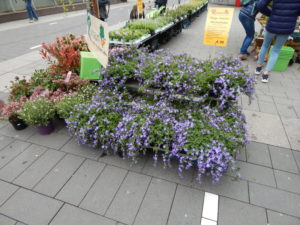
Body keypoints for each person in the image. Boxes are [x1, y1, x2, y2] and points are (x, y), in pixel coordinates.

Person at [255, 0, 300, 83]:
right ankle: (266, 74)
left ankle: (258, 67)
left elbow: (260, 5)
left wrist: (271, 13)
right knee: (276, 50)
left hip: (272, 24)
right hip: (286, 27)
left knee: (265, 45)